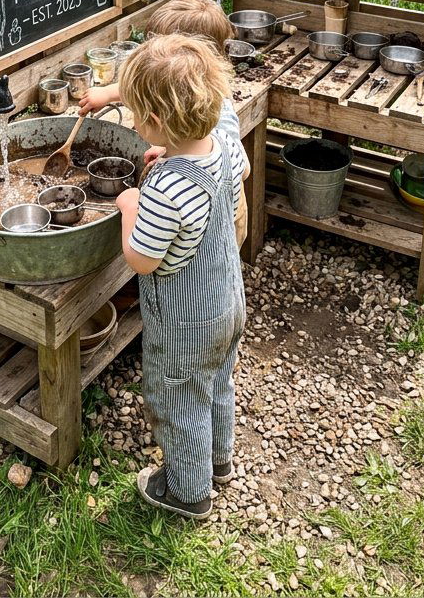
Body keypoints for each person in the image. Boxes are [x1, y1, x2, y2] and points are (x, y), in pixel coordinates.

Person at [115, 34, 249, 520]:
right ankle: (219, 460)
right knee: (215, 382)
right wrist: (170, 154)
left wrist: (130, 205)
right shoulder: (224, 147)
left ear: (156, 122)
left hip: (185, 322)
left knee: (180, 400)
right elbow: (219, 188)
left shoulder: (167, 190)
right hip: (228, 301)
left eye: (134, 113)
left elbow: (142, 259)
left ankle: (187, 492)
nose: (132, 121)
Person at [78, 0, 249, 246]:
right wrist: (107, 93)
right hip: (191, 222)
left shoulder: (219, 111)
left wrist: (130, 210)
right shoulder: (191, 96)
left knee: (210, 269)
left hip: (217, 225)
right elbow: (152, 90)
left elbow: (241, 167)